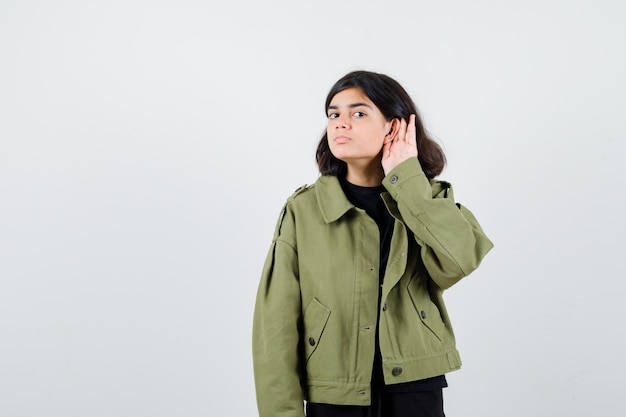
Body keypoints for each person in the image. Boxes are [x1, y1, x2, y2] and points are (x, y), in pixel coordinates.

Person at [252, 70, 493, 417]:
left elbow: (459, 262)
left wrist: (407, 181)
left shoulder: (430, 199)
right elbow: (274, 328)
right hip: (334, 394)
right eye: (334, 114)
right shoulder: (303, 211)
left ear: (394, 127)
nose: (340, 124)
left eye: (358, 113)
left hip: (415, 389)